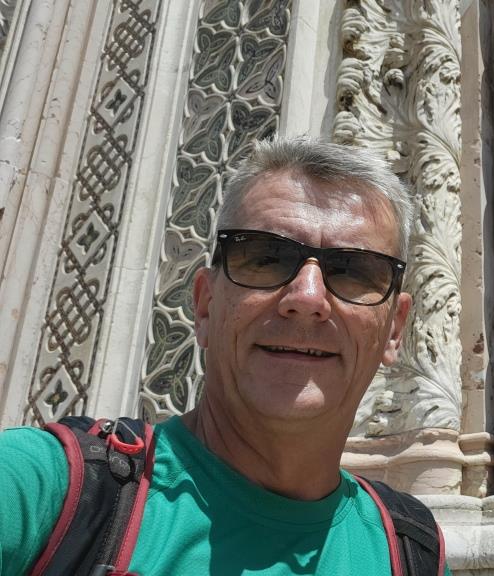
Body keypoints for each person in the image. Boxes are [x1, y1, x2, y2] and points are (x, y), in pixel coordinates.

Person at [0, 137, 451, 575]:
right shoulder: (42, 486)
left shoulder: (410, 553)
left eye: (353, 270)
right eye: (266, 258)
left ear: (394, 329)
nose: (307, 297)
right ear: (204, 305)